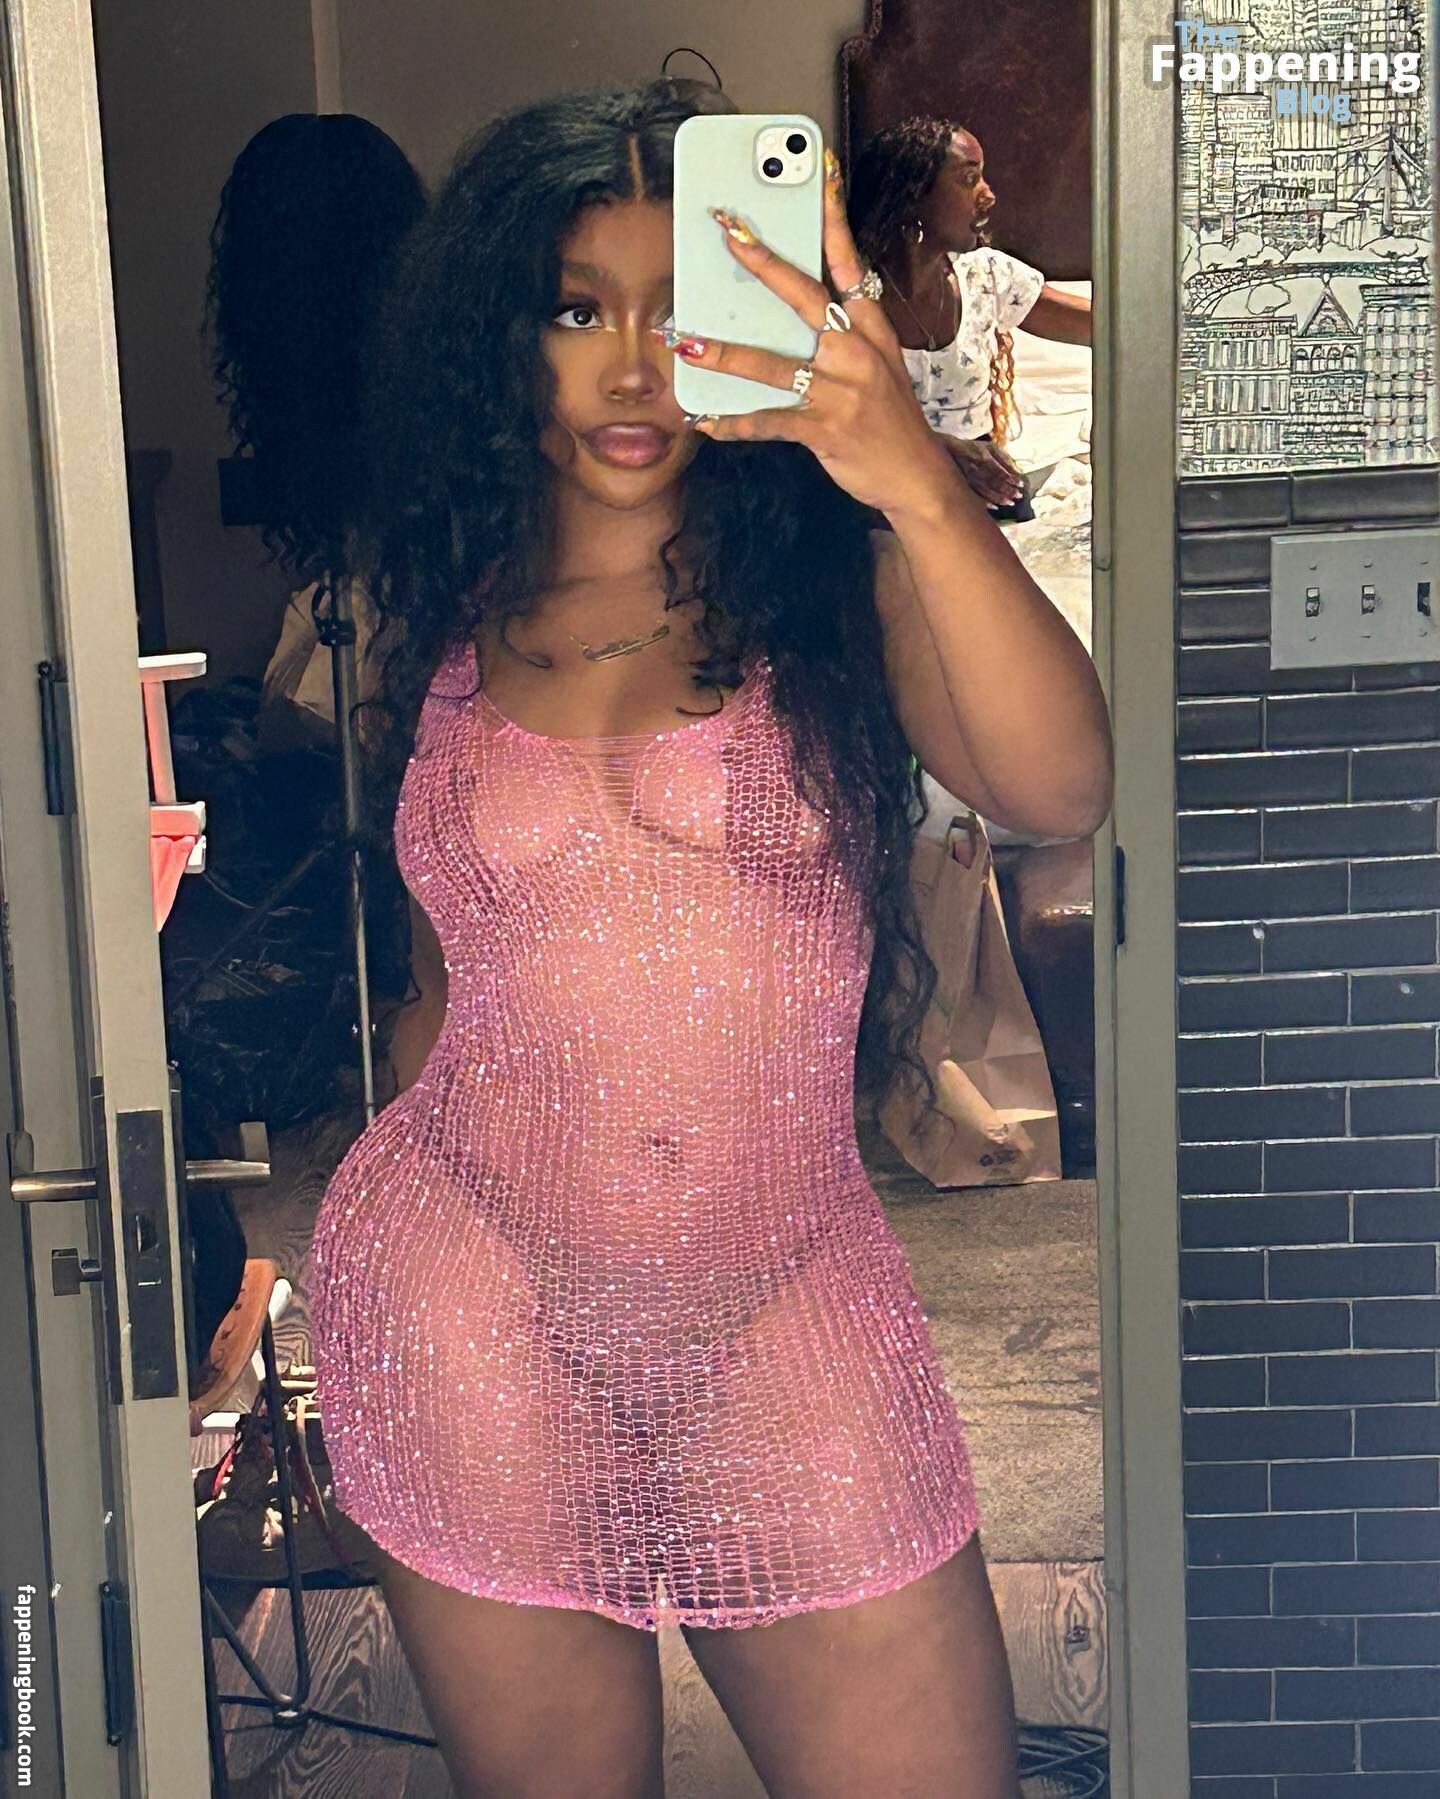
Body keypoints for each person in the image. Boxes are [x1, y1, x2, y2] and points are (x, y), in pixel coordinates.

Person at [309, 83, 1112, 1799]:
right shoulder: (447, 610)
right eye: (576, 310)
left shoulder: (844, 581)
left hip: (783, 1302)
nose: (630, 369)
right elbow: (449, 992)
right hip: (475, 1306)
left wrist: (913, 478)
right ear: (499, 339)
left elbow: (1061, 781)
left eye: (681, 310)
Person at [849, 116, 1092, 520]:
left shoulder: (987, 276)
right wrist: (942, 450)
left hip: (980, 487)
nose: (989, 195)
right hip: (877, 487)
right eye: (969, 179)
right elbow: (832, 417)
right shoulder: (854, 296)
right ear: (913, 195)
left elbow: (1106, 326)